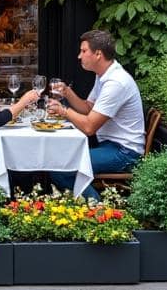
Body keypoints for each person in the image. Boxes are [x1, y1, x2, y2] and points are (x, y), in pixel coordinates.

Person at [46, 30, 146, 198]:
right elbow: (88, 108)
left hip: (125, 152)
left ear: (98, 54)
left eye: (83, 51)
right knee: (60, 159)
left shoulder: (116, 82)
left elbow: (89, 127)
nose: (79, 56)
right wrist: (67, 92)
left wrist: (63, 111)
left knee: (60, 166)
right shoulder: (103, 76)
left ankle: (96, 208)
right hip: (111, 146)